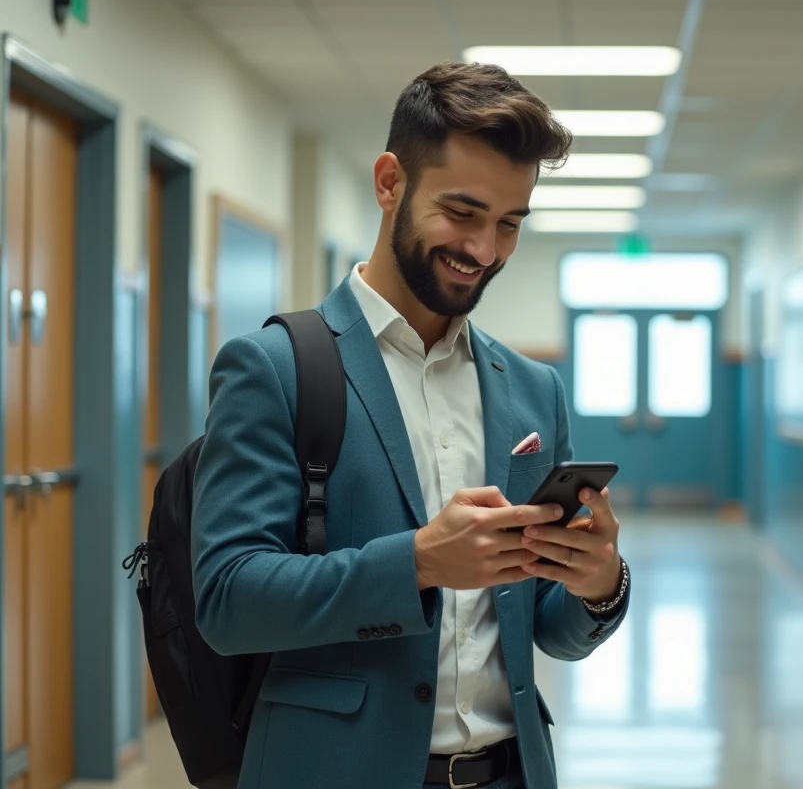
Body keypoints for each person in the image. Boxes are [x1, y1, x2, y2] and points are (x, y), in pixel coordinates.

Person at [191, 61, 631, 789]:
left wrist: (597, 583)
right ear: (390, 181)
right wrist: (421, 562)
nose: (484, 251)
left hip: (508, 771)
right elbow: (229, 600)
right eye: (462, 213)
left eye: (510, 223)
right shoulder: (275, 368)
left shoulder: (532, 391)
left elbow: (545, 624)